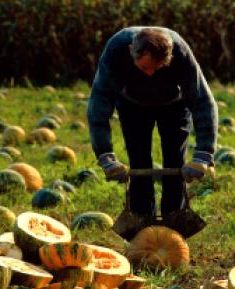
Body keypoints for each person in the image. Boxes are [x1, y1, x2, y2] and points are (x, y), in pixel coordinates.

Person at [87, 26, 217, 219]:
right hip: (132, 104)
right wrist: (105, 155)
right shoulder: (116, 50)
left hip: (174, 105)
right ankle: (142, 220)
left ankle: (174, 219)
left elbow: (203, 102)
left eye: (157, 68)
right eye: (144, 67)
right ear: (132, 50)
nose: (150, 73)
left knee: (175, 162)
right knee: (139, 161)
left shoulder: (180, 52)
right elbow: (99, 103)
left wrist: (203, 155)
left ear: (169, 57)